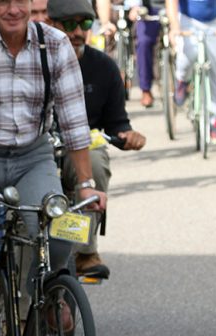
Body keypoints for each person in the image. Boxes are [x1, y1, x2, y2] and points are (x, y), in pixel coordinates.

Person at [0, 0, 108, 307]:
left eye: (19, 0)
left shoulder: (56, 44)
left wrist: (86, 182)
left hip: (34, 156)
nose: (12, 10)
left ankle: (44, 294)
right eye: (2, 1)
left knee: (59, 233)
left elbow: (73, 122)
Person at [46, 0, 147, 279]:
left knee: (94, 162)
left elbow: (117, 123)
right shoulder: (37, 61)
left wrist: (127, 135)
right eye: (69, 24)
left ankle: (85, 251)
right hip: (37, 148)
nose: (78, 31)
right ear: (51, 25)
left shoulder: (104, 66)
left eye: (85, 23)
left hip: (80, 149)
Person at [166, 0, 216, 140]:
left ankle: (215, 120)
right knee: (186, 58)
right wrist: (175, 27)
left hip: (215, 20)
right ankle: (182, 81)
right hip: (188, 20)